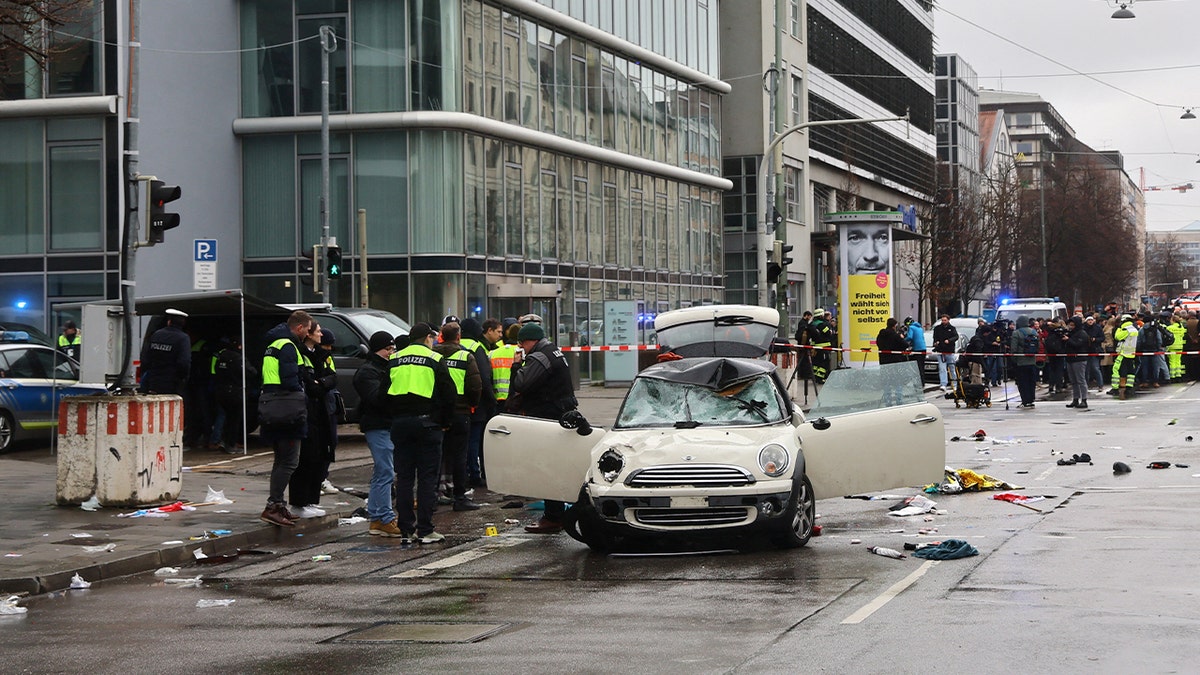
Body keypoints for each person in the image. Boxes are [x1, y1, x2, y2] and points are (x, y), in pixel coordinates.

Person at [386, 322, 457, 544]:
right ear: (427, 337)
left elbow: (382, 393)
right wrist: (444, 422)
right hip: (428, 424)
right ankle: (426, 530)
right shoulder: (434, 358)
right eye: (432, 338)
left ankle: (406, 530)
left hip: (400, 424)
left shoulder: (395, 359)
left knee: (404, 478)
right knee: (427, 478)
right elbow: (449, 394)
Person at [508, 321, 577, 534]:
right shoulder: (553, 351)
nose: (521, 348)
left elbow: (522, 384)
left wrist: (517, 366)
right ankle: (557, 514)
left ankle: (553, 517)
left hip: (548, 416)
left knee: (547, 467)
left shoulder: (539, 356)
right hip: (560, 412)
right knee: (555, 465)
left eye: (522, 344)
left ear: (530, 341)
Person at [258, 310, 313, 527]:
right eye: (307, 330)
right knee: (290, 461)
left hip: (273, 405)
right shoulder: (288, 346)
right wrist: (302, 391)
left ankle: (278, 505)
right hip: (287, 408)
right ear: (299, 327)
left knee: (281, 460)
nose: (307, 334)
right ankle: (273, 506)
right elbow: (291, 379)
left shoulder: (274, 344)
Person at [287, 322, 338, 520]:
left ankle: (311, 501)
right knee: (306, 458)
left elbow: (332, 377)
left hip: (323, 410)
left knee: (321, 455)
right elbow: (308, 383)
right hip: (307, 409)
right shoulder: (300, 353)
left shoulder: (323, 354)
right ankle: (299, 502)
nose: (320, 335)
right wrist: (319, 384)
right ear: (308, 333)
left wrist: (322, 382)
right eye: (317, 331)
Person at [355, 331, 403, 537]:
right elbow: (377, 399)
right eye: (387, 349)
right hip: (378, 425)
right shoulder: (367, 372)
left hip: (386, 424)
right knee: (385, 472)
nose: (391, 353)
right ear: (377, 349)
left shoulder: (380, 368)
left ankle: (376, 517)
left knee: (381, 472)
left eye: (393, 349)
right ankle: (384, 517)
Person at [434, 322, 482, 512]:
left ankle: (434, 494)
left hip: (438, 413)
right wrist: (472, 404)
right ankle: (460, 497)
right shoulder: (465, 356)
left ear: (442, 336)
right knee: (459, 455)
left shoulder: (434, 355)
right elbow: (475, 386)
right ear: (458, 337)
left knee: (437, 454)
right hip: (460, 412)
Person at [461, 317, 498, 490]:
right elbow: (483, 377)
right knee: (476, 440)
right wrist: (491, 400)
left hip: (458, 402)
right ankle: (475, 475)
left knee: (463, 442)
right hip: (477, 402)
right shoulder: (476, 347)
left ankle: (464, 474)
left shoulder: (456, 345)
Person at [212, 337, 258, 453]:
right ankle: (230, 444)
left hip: (221, 391)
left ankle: (222, 440)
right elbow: (251, 372)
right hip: (235, 392)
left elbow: (215, 371)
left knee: (224, 417)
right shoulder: (238, 358)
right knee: (235, 419)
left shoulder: (221, 356)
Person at [139, 308, 191, 395]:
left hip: (153, 381)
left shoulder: (157, 334)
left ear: (169, 321)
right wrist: (182, 379)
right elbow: (184, 362)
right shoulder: (183, 338)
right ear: (183, 323)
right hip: (171, 383)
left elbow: (146, 357)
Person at [1010, 316, 1039, 409]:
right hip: (1032, 361)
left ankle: (1025, 400)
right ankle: (1031, 400)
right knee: (1031, 382)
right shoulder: (1034, 332)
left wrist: (1014, 360)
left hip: (1021, 362)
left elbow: (1013, 349)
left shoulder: (1016, 333)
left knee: (1023, 382)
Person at [1064, 316, 1090, 410]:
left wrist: (1068, 340)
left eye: (1072, 324)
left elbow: (1078, 345)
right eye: (1070, 324)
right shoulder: (1071, 333)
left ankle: (1084, 399)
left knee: (1081, 380)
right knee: (1073, 381)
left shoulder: (1082, 334)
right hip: (1070, 359)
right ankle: (1075, 398)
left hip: (1079, 359)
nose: (1070, 326)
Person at [1111, 314, 1138, 400]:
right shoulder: (1134, 329)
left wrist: (1119, 328)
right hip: (1131, 353)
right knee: (1130, 371)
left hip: (1123, 353)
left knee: (1116, 369)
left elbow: (1117, 337)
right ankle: (1129, 387)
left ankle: (1115, 388)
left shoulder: (1125, 329)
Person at [806, 309, 835, 383]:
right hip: (824, 348)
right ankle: (821, 378)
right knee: (824, 363)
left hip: (815, 347)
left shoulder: (811, 324)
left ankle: (816, 377)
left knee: (816, 363)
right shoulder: (823, 324)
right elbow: (828, 333)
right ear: (821, 315)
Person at [931, 314, 959, 391]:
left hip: (949, 351)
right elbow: (935, 337)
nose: (943, 322)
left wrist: (949, 340)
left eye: (945, 320)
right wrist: (935, 342)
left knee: (952, 368)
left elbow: (956, 336)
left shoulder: (952, 328)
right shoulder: (937, 328)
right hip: (940, 351)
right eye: (942, 320)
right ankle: (943, 384)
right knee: (942, 368)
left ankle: (955, 384)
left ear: (948, 320)